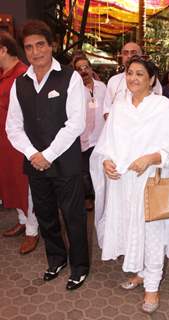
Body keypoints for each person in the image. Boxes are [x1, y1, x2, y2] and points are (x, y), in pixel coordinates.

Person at [90, 55, 169, 314]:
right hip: (124, 184)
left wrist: (150, 158)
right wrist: (106, 162)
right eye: (130, 73)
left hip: (153, 182)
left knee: (153, 235)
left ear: (152, 79)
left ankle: (153, 286)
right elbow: (106, 144)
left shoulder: (164, 107)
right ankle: (141, 272)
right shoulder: (120, 107)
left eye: (140, 74)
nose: (133, 78)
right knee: (131, 230)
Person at [6, 20, 89, 290]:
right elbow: (13, 127)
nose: (35, 52)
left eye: (40, 44)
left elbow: (76, 123)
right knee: (46, 216)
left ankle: (80, 266)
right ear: (24, 51)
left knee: (73, 217)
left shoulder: (70, 77)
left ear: (51, 45)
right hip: (35, 164)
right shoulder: (20, 83)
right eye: (29, 47)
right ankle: (56, 259)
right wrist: (33, 154)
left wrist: (49, 154)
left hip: (65, 163)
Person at [0, 31, 39, 254]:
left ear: (3, 49)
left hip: (19, 140)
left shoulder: (23, 74)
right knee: (11, 182)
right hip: (5, 140)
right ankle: (22, 219)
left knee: (25, 185)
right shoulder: (5, 73)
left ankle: (32, 230)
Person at [72, 53, 106, 211]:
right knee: (85, 172)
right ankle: (88, 197)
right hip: (83, 137)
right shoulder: (74, 90)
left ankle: (101, 196)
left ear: (91, 69)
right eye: (79, 69)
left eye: (86, 67)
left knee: (100, 169)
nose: (83, 71)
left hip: (101, 136)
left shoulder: (102, 87)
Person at [103, 42, 162, 119]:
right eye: (125, 53)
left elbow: (157, 107)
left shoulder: (151, 80)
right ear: (122, 56)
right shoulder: (113, 81)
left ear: (141, 56)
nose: (129, 56)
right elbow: (106, 110)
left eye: (133, 53)